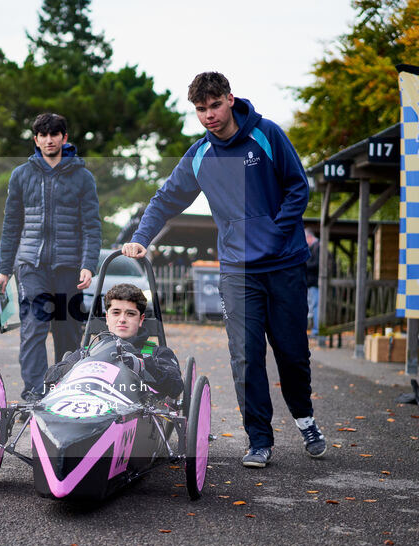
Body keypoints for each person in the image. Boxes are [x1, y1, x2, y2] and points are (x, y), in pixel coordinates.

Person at [121, 72, 325, 468]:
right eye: (200, 109)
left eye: (215, 105)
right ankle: (260, 440)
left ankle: (305, 420)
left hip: (283, 263)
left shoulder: (266, 135)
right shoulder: (200, 156)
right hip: (237, 270)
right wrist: (142, 237)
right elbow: (164, 200)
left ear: (230, 99)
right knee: (245, 355)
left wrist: (276, 234)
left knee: (291, 353)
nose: (209, 115)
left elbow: (298, 186)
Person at [0, 112, 101, 401]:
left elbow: (92, 226)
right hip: (31, 266)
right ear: (35, 139)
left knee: (68, 333)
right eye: (43, 135)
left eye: (55, 134)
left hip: (69, 267)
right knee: (34, 327)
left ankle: (65, 392)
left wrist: (89, 265)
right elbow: (11, 224)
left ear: (65, 138)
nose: (49, 140)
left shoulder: (83, 177)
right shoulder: (21, 175)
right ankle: (33, 394)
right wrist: (4, 269)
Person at [43, 283, 183, 399]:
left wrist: (141, 365)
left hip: (137, 415)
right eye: (116, 313)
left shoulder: (157, 353)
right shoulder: (88, 352)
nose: (122, 319)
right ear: (107, 318)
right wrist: (79, 366)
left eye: (130, 314)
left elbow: (176, 386)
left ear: (141, 320)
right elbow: (50, 377)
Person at [305, 229, 320, 337]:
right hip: (311, 283)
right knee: (312, 306)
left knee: (315, 306)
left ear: (309, 237)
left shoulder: (317, 247)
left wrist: (304, 265)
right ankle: (313, 329)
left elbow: (317, 264)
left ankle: (316, 330)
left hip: (315, 282)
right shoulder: (314, 247)